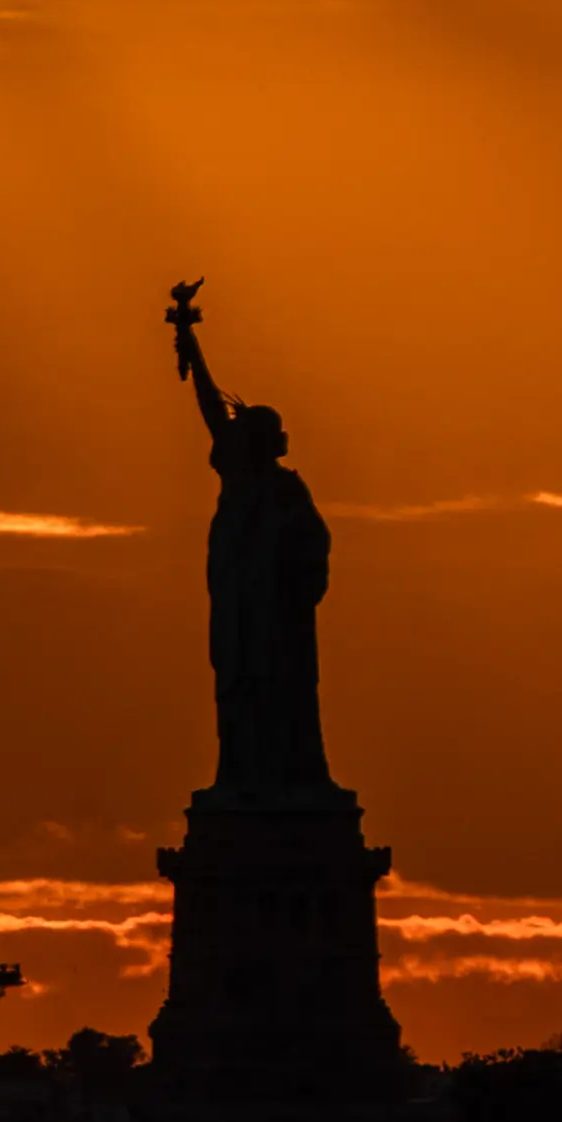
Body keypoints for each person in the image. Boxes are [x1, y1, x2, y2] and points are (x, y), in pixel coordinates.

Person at [168, 281, 336, 797]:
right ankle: (241, 776)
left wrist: (285, 563)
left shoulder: (286, 492)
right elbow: (210, 407)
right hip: (240, 602)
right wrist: (187, 336)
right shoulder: (243, 481)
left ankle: (290, 778)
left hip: (277, 613)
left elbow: (314, 547)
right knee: (238, 685)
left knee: (282, 690)